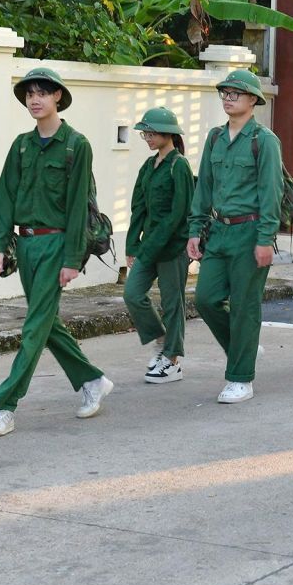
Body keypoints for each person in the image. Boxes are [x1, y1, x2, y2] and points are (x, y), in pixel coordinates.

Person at [0, 68, 111, 437]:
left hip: (56, 244)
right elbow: (5, 197)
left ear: (57, 97)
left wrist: (72, 259)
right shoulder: (21, 145)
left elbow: (78, 205)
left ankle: (5, 404)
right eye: (29, 94)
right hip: (26, 244)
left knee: (35, 325)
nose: (34, 100)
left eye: (42, 93)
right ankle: (91, 379)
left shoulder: (76, 145)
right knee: (46, 321)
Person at [186, 67, 284, 405]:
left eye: (236, 93)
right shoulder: (215, 138)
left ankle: (240, 379)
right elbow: (204, 187)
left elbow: (271, 192)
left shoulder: (264, 141)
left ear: (253, 100)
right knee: (205, 299)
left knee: (244, 307)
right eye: (225, 93)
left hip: (250, 231)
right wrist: (195, 230)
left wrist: (265, 238)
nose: (228, 98)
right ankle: (245, 347)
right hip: (218, 231)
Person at [123, 107, 194, 386]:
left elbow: (179, 214)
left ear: (169, 134)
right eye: (145, 134)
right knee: (132, 293)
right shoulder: (148, 165)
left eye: (152, 133)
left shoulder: (179, 166)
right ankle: (162, 339)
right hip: (149, 245)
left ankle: (172, 360)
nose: (148, 138)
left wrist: (151, 245)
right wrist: (132, 244)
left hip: (172, 247)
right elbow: (138, 206)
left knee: (172, 302)